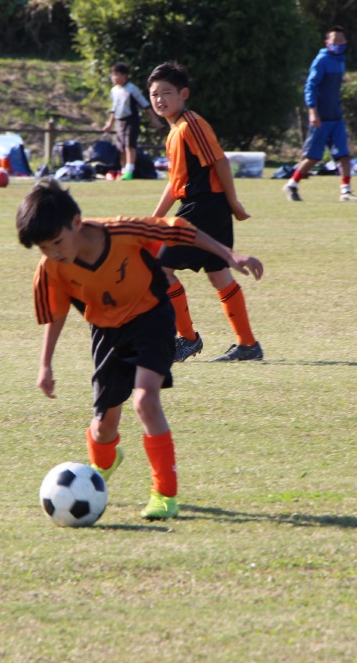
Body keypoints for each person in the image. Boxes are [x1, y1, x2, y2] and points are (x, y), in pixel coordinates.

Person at [18, 178, 264, 519]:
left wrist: (228, 254)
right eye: (44, 248)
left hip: (152, 318)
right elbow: (56, 313)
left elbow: (178, 228)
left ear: (76, 222)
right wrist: (45, 365)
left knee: (145, 400)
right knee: (104, 426)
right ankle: (103, 464)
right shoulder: (51, 268)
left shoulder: (121, 231)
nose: (54, 252)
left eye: (57, 242)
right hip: (106, 332)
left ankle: (164, 495)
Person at [147, 61, 262, 363]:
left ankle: (187, 339)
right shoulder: (175, 131)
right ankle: (248, 345)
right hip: (203, 205)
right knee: (218, 273)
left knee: (160, 269)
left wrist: (233, 202)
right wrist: (155, 217)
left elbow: (220, 161)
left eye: (166, 93)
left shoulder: (191, 125)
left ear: (183, 94)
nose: (160, 99)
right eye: (154, 94)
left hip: (204, 206)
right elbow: (175, 182)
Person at [282, 26, 357, 203]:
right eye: (335, 41)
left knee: (344, 155)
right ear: (327, 43)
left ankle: (346, 192)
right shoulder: (321, 60)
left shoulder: (340, 61)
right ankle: (291, 184)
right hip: (321, 118)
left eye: (341, 40)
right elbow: (310, 87)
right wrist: (312, 111)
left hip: (336, 117)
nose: (338, 44)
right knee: (312, 157)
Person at [101, 62, 161, 180]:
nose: (113, 78)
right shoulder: (114, 90)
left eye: (116, 75)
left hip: (131, 120)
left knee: (130, 145)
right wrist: (109, 123)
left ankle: (130, 170)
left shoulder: (132, 89)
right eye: (112, 75)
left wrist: (154, 118)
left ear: (124, 75)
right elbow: (114, 108)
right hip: (119, 120)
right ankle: (123, 170)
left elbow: (144, 104)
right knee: (121, 147)